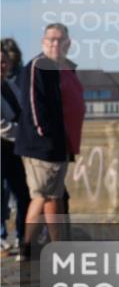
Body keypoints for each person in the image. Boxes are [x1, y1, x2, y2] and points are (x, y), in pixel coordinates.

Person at [14, 23, 85, 260]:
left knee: (53, 196)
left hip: (60, 143)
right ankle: (37, 247)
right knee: (46, 197)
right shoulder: (38, 65)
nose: (55, 44)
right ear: (43, 42)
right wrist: (43, 133)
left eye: (59, 40)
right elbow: (32, 103)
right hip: (42, 145)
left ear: (68, 43)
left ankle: (52, 245)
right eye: (50, 39)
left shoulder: (63, 67)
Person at [1, 49, 30, 258]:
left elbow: (25, 112)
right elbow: (1, 126)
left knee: (23, 194)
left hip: (14, 149)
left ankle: (22, 235)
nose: (2, 66)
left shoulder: (11, 86)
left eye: (4, 62)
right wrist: (25, 133)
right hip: (6, 144)